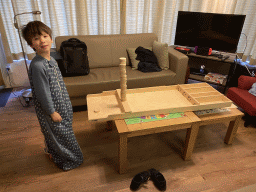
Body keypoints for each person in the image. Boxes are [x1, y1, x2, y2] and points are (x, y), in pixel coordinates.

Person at [22, 21, 83, 171]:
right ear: (31, 45)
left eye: (45, 36)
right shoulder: (38, 66)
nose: (42, 40)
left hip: (61, 106)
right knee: (61, 136)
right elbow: (43, 92)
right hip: (51, 111)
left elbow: (58, 84)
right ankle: (71, 159)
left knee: (58, 134)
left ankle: (52, 152)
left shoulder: (52, 60)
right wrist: (51, 112)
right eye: (36, 38)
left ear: (50, 38)